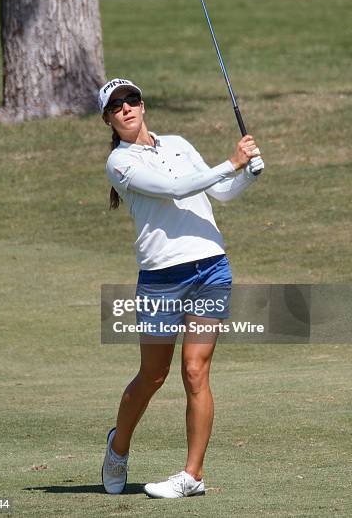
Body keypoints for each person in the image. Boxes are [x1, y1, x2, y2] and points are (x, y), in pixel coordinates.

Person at [99, 78, 264, 499]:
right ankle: (118, 447)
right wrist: (232, 160)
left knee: (195, 371)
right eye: (116, 106)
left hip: (211, 268)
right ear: (108, 119)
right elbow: (174, 190)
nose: (126, 108)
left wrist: (246, 176)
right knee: (153, 375)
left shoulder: (178, 143)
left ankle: (192, 475)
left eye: (131, 100)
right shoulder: (120, 164)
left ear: (143, 103)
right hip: (161, 279)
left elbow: (219, 192)